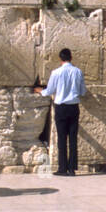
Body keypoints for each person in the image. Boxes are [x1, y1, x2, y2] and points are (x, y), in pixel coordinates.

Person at [36, 48, 85, 176]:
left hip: (61, 108)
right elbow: (82, 91)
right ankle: (72, 168)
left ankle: (62, 168)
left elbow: (50, 90)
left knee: (62, 138)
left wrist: (39, 91)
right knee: (73, 138)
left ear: (60, 59)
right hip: (74, 107)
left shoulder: (56, 73)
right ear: (71, 57)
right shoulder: (78, 72)